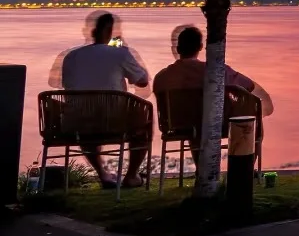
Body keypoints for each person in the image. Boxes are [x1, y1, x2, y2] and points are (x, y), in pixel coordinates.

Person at [48, 11, 152, 188]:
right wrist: (124, 53)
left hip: (77, 124)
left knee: (85, 112)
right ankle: (132, 176)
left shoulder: (71, 56)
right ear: (110, 31)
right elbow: (142, 82)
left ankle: (103, 175)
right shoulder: (120, 54)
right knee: (143, 117)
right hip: (113, 122)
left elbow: (64, 85)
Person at [153, 26, 274, 167]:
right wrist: (263, 105)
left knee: (195, 124)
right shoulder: (216, 71)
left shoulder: (162, 77)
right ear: (201, 47)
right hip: (216, 124)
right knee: (248, 123)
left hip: (177, 126)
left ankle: (202, 170)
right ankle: (244, 170)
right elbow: (248, 85)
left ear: (178, 49)